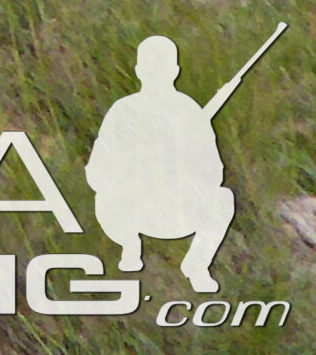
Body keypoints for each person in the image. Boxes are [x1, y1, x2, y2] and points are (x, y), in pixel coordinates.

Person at [88, 33, 242, 294]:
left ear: (175, 71)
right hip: (132, 208)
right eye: (150, 67)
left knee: (222, 199)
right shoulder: (123, 111)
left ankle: (197, 265)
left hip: (175, 209)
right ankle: (129, 245)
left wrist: (183, 166)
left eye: (160, 67)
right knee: (106, 198)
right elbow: (98, 170)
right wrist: (134, 169)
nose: (155, 73)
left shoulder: (189, 112)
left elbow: (213, 172)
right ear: (138, 70)